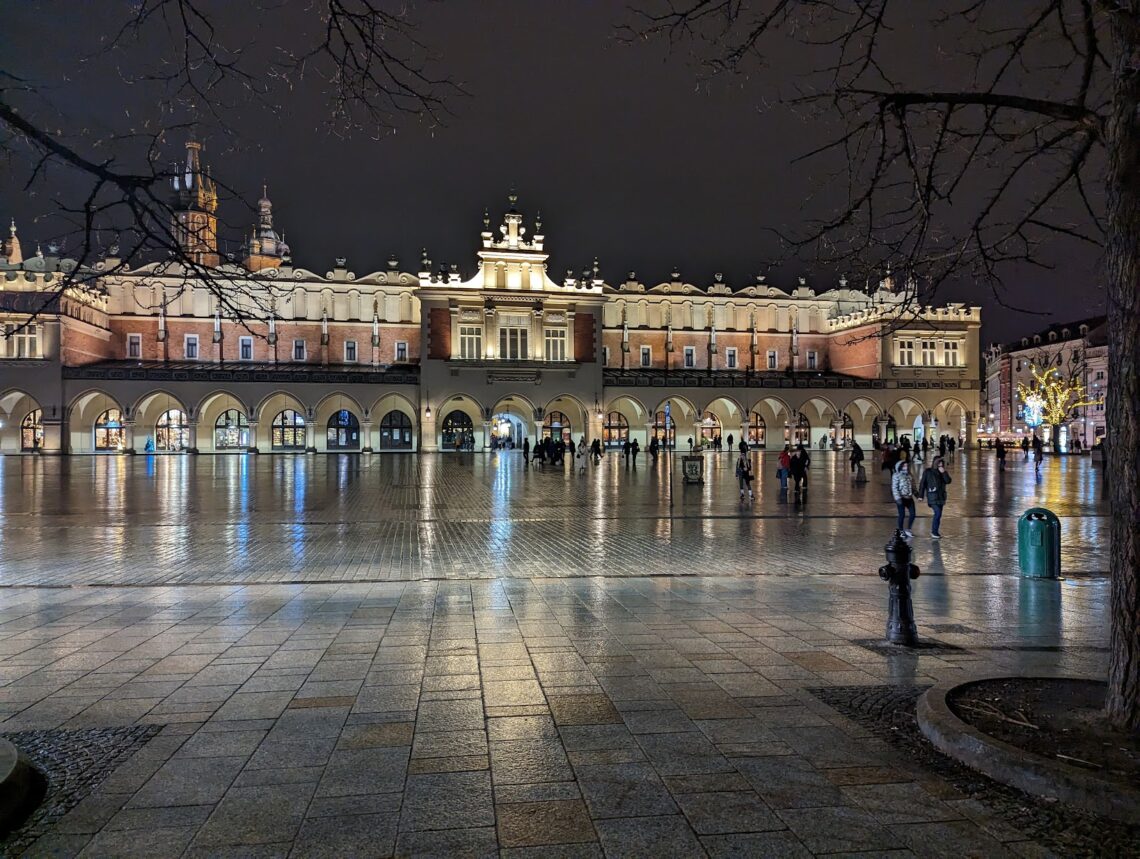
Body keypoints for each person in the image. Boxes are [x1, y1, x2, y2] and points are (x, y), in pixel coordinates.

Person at [920, 455, 952, 539]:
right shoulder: (928, 472)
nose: (941, 464)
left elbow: (948, 481)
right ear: (935, 463)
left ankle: (935, 531)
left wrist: (944, 473)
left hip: (941, 497)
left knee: (939, 514)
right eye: (939, 462)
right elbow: (922, 484)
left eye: (942, 463)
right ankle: (934, 532)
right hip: (932, 496)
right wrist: (921, 495)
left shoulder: (943, 472)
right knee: (937, 513)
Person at [891, 460, 917, 538]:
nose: (906, 467)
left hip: (909, 497)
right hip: (901, 498)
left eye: (907, 465)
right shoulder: (896, 475)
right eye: (904, 466)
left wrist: (917, 494)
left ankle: (908, 529)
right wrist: (898, 498)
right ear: (900, 466)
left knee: (913, 514)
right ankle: (901, 530)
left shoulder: (910, 475)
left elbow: (913, 486)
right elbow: (894, 488)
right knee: (901, 515)